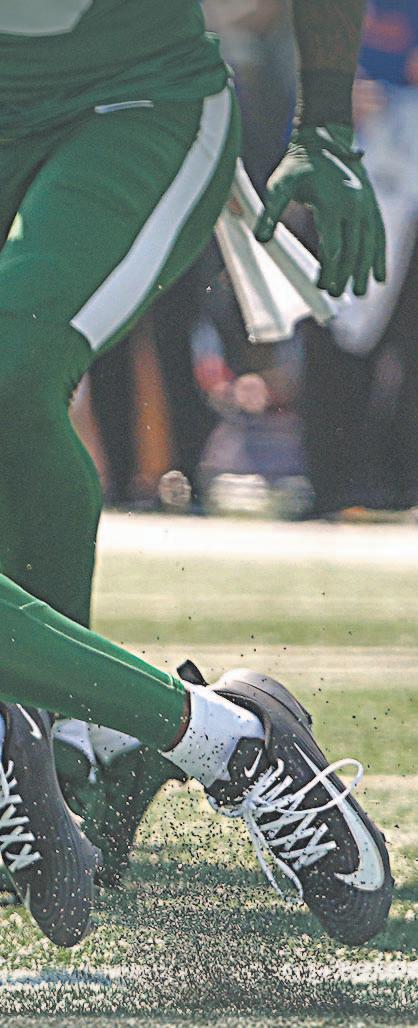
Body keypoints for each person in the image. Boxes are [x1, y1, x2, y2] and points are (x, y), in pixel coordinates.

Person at [0, 0, 391, 947]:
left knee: (10, 376)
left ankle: (203, 743)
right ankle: (89, 744)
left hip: (132, 96)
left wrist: (326, 121)